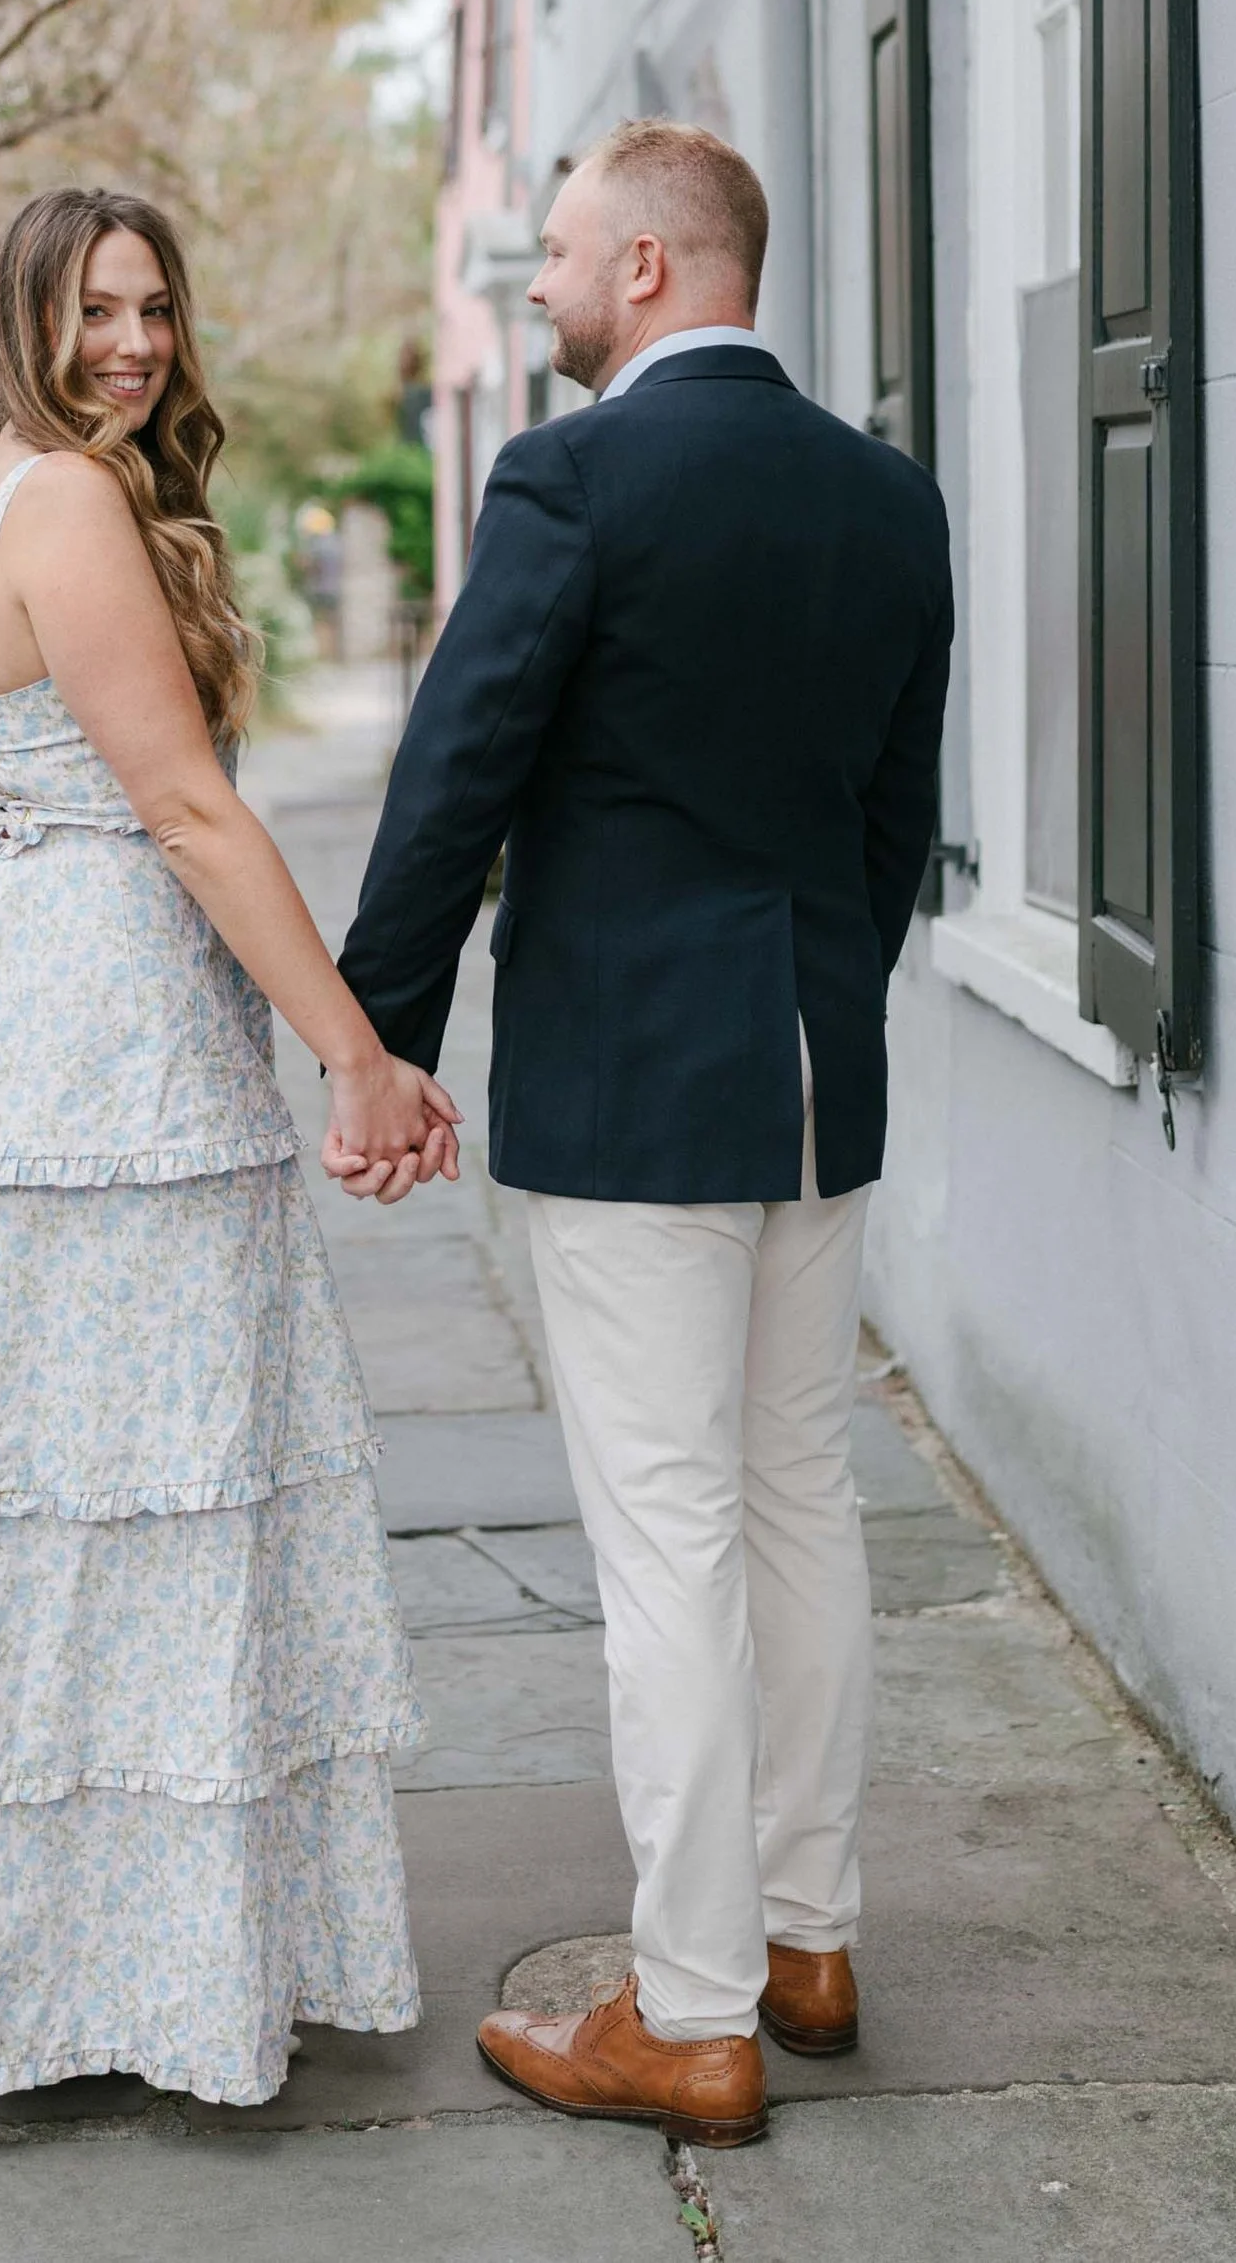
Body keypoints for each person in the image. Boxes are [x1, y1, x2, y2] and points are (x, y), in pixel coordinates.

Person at [0, 185, 459, 2107]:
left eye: (156, 307)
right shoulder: (70, 497)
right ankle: (120, 1976)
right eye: (97, 311)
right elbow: (184, 806)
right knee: (121, 1485)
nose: (137, 343)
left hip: (39, 1000)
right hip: (95, 1046)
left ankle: (71, 1964)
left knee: (70, 1485)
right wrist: (357, 1054)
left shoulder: (8, 476)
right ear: (28, 318)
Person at [330, 120, 952, 2148]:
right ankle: (804, 1935)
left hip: (630, 1088)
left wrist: (377, 1037)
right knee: (792, 1507)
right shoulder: (886, 500)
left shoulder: (573, 479)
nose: (538, 284)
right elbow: (885, 824)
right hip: (804, 1078)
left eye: (566, 252)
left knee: (669, 1542)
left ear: (659, 270)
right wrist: (815, 1019)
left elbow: (453, 773)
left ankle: (684, 2017)